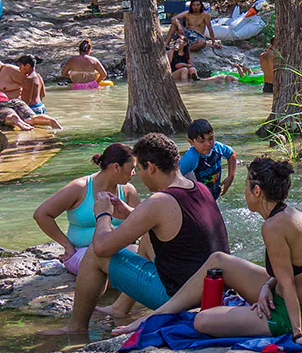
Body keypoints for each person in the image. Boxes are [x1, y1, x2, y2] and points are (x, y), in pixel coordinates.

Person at [114, 158, 302, 343]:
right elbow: (294, 272)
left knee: (202, 321)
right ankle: (158, 314)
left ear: (257, 191)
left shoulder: (272, 227)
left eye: (246, 186)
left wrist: (298, 334)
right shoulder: (288, 215)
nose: (244, 192)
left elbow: (288, 282)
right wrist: (266, 288)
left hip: (296, 314)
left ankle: (154, 317)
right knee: (219, 260)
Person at [41, 133, 229, 335]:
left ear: (151, 167)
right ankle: (120, 307)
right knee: (149, 236)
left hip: (178, 300)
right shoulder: (200, 188)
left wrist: (103, 214)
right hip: (211, 292)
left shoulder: (158, 201)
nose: (137, 175)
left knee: (94, 254)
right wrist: (131, 214)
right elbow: (172, 224)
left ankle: (75, 328)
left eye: (139, 169)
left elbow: (102, 247)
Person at [32, 142, 144, 277]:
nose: (134, 173)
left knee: (141, 257)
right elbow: (42, 214)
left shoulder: (128, 191)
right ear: (116, 167)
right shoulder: (79, 188)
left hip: (122, 250)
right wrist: (67, 245)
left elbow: (143, 224)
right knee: (109, 265)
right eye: (131, 168)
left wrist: (127, 213)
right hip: (83, 252)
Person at [179, 118, 237, 201]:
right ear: (191, 142)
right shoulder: (191, 158)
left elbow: (231, 154)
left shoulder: (217, 148)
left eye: (210, 139)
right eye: (201, 141)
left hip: (213, 193)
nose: (208, 144)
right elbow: (175, 176)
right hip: (197, 199)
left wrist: (230, 176)